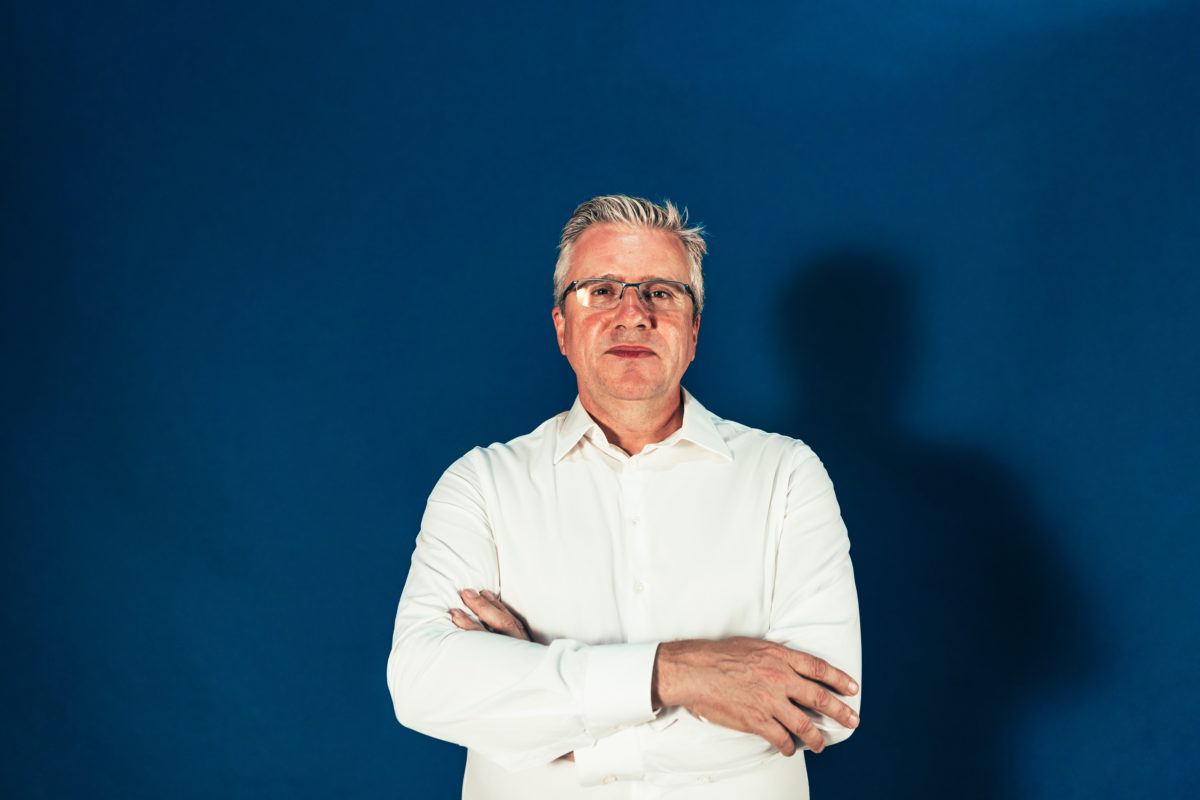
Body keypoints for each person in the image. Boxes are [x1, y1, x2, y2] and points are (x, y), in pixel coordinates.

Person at [387, 195, 861, 799]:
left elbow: (821, 705)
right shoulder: (480, 483)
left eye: (661, 292)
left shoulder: (787, 474)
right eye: (602, 291)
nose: (633, 314)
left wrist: (540, 707)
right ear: (562, 327)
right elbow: (423, 683)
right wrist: (675, 673)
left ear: (694, 331)